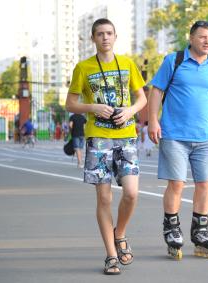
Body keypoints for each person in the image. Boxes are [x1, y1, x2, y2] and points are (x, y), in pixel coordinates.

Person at [65, 18, 147, 275]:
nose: (105, 38)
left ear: (115, 36)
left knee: (132, 193)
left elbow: (142, 97)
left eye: (109, 33)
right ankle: (111, 255)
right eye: (100, 34)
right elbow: (70, 103)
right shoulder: (83, 67)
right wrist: (93, 107)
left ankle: (119, 233)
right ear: (93, 38)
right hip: (98, 137)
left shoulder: (127, 64)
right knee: (104, 197)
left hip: (126, 135)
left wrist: (131, 111)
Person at [148, 20, 208, 260]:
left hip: (205, 137)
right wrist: (153, 120)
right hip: (175, 135)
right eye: (203, 37)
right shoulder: (174, 60)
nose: (207, 42)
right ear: (191, 38)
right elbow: (156, 91)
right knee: (177, 184)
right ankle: (172, 228)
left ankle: (200, 230)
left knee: (205, 184)